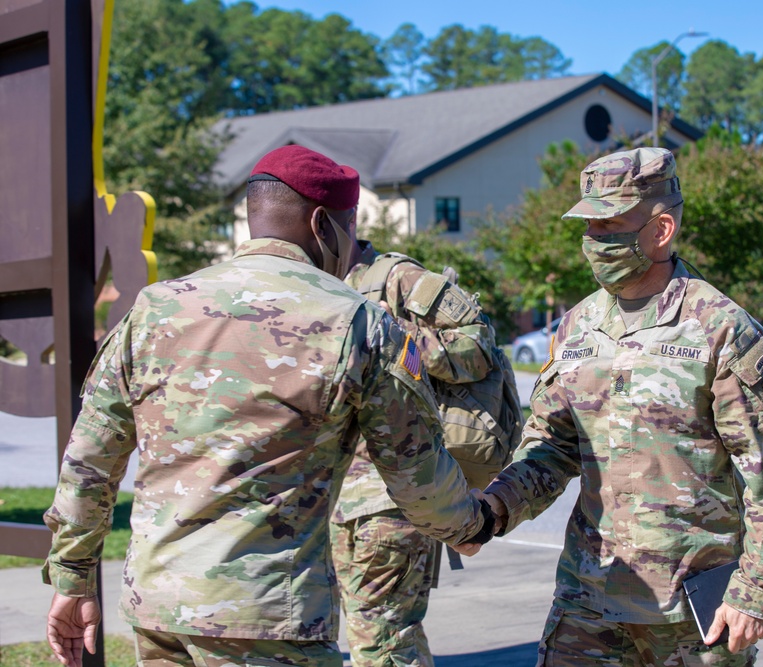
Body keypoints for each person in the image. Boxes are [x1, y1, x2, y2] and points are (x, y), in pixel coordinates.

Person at [41, 144, 495, 667]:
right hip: (267, 616)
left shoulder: (154, 309)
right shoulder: (359, 323)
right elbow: (417, 473)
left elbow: (88, 464)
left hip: (158, 608)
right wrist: (470, 525)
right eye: (351, 230)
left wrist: (73, 579)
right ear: (324, 225)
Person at [480, 146, 763, 666]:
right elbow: (552, 448)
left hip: (691, 615)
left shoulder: (720, 329)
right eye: (588, 227)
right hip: (588, 597)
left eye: (609, 226)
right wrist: (493, 508)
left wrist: (757, 591)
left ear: (660, 231)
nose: (593, 241)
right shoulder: (577, 327)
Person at [327, 187, 498, 667]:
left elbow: (477, 345)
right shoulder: (307, 287)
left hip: (389, 497)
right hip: (330, 496)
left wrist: (391, 340)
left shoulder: (397, 279)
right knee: (360, 637)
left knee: (382, 642)